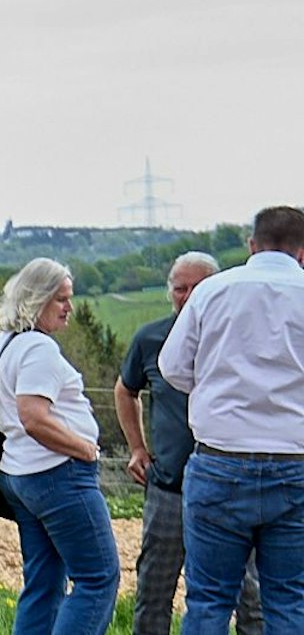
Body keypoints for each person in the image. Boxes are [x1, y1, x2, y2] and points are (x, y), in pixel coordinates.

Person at [161, 206, 304, 635]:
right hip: (296, 464)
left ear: (251, 245)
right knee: (290, 599)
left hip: (219, 461)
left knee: (208, 600)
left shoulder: (211, 291)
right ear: (302, 251)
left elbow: (172, 368)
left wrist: (215, 389)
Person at [117, 251, 263, 635]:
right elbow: (125, 389)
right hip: (169, 488)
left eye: (197, 288)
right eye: (180, 289)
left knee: (251, 595)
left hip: (233, 486)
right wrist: (137, 447)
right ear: (170, 292)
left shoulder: (241, 337)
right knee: (154, 588)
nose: (187, 296)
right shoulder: (150, 339)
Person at [0, 257, 119, 635]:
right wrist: (84, 448)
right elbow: (33, 417)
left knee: (43, 583)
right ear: (37, 299)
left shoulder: (4, 344)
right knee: (98, 578)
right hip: (58, 475)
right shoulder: (38, 348)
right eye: (61, 299)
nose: (69, 307)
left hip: (19, 475)